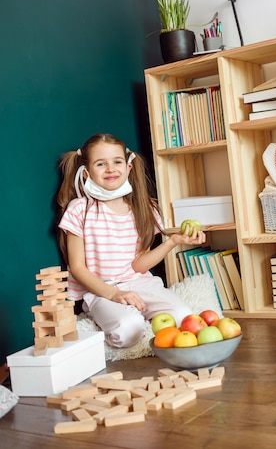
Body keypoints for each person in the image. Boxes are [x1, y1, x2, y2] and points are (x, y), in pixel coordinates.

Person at [56, 132, 206, 349]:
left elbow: (139, 265)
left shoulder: (143, 207)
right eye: (101, 163)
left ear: (128, 167)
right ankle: (126, 319)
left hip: (141, 283)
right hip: (102, 291)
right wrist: (115, 294)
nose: (110, 168)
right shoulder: (80, 209)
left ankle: (141, 314)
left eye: (117, 161)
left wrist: (172, 242)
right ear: (87, 173)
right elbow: (78, 268)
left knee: (182, 317)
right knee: (129, 331)